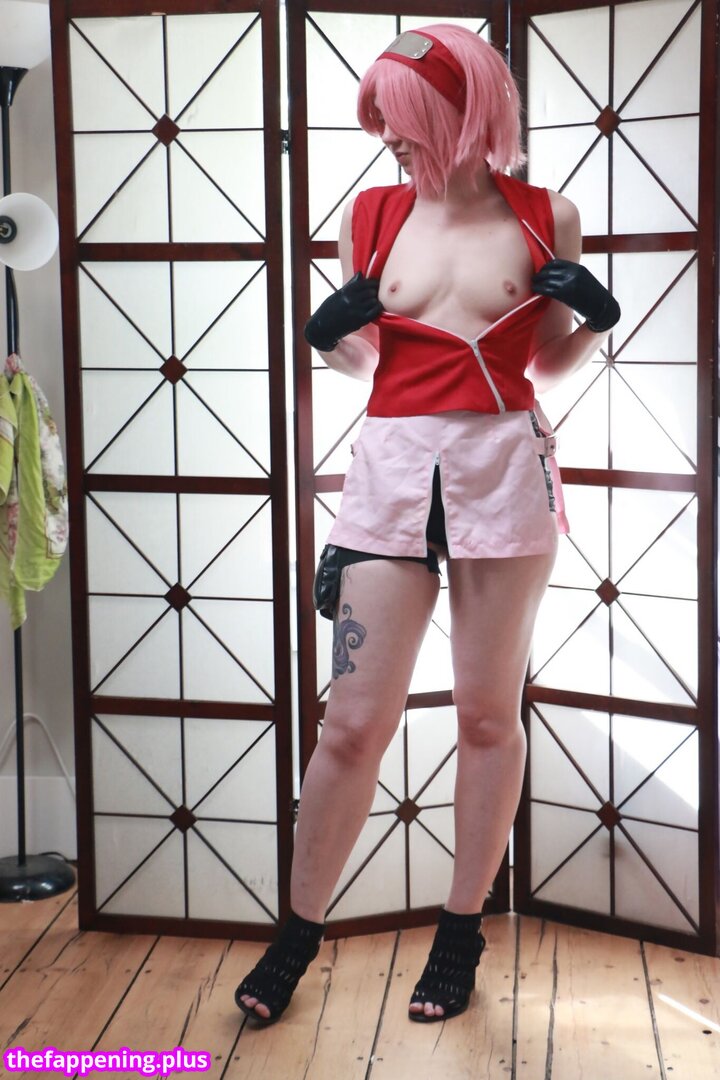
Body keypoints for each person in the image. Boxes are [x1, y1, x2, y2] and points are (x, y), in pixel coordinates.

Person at [235, 24, 619, 1027]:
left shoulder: (546, 217)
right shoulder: (369, 216)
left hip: (504, 468)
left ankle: (459, 935)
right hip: (392, 469)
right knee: (352, 724)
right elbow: (369, 364)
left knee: (487, 716)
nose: (388, 139)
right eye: (380, 122)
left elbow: (544, 366)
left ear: (460, 110)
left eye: (402, 120)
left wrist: (590, 321)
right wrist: (329, 339)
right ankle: (297, 934)